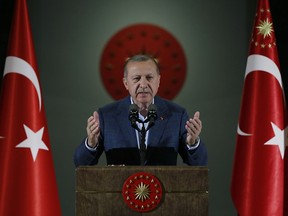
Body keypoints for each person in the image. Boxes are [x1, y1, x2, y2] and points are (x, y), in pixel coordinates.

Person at [74, 54, 207, 166]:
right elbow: (80, 163)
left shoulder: (177, 115)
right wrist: (91, 143)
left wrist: (192, 143)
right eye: (137, 78)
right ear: (126, 83)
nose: (143, 84)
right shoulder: (107, 115)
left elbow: (200, 163)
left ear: (158, 81)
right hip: (120, 194)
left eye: (149, 78)